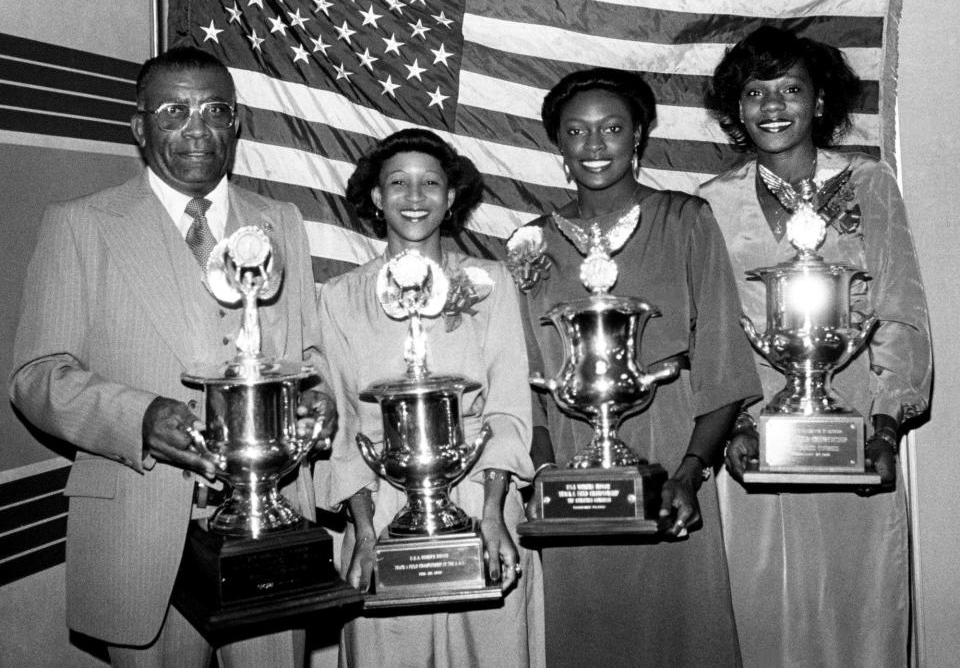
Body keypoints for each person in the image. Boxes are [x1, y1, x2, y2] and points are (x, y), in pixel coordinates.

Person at [10, 46, 328, 667]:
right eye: (173, 111)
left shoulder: (281, 220)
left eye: (214, 110)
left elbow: (307, 352)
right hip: (140, 534)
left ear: (235, 124)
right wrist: (140, 419)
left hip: (272, 536)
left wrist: (317, 401)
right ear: (139, 126)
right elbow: (36, 376)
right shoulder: (82, 224)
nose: (195, 129)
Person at [699, 25, 933, 668]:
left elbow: (902, 310)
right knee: (759, 610)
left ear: (820, 102)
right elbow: (712, 333)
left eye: (790, 89)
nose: (773, 106)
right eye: (755, 92)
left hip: (853, 432)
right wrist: (737, 424)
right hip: (754, 441)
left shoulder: (868, 182)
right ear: (736, 109)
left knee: (858, 610)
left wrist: (884, 427)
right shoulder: (709, 203)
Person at [514, 67, 761, 668]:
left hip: (670, 442)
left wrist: (689, 472)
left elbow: (723, 361)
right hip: (573, 454)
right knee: (590, 635)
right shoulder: (530, 244)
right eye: (577, 131)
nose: (595, 145)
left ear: (639, 138)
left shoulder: (686, 220)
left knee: (681, 631)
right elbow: (527, 382)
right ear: (559, 147)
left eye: (612, 128)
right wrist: (550, 479)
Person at [312, 128, 544, 668]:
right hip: (381, 505)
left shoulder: (491, 284)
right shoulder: (341, 297)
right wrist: (366, 534)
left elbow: (508, 408)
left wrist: (492, 516)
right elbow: (344, 428)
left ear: (452, 195)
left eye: (430, 183)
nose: (414, 197)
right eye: (398, 183)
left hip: (480, 492)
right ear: (375, 195)